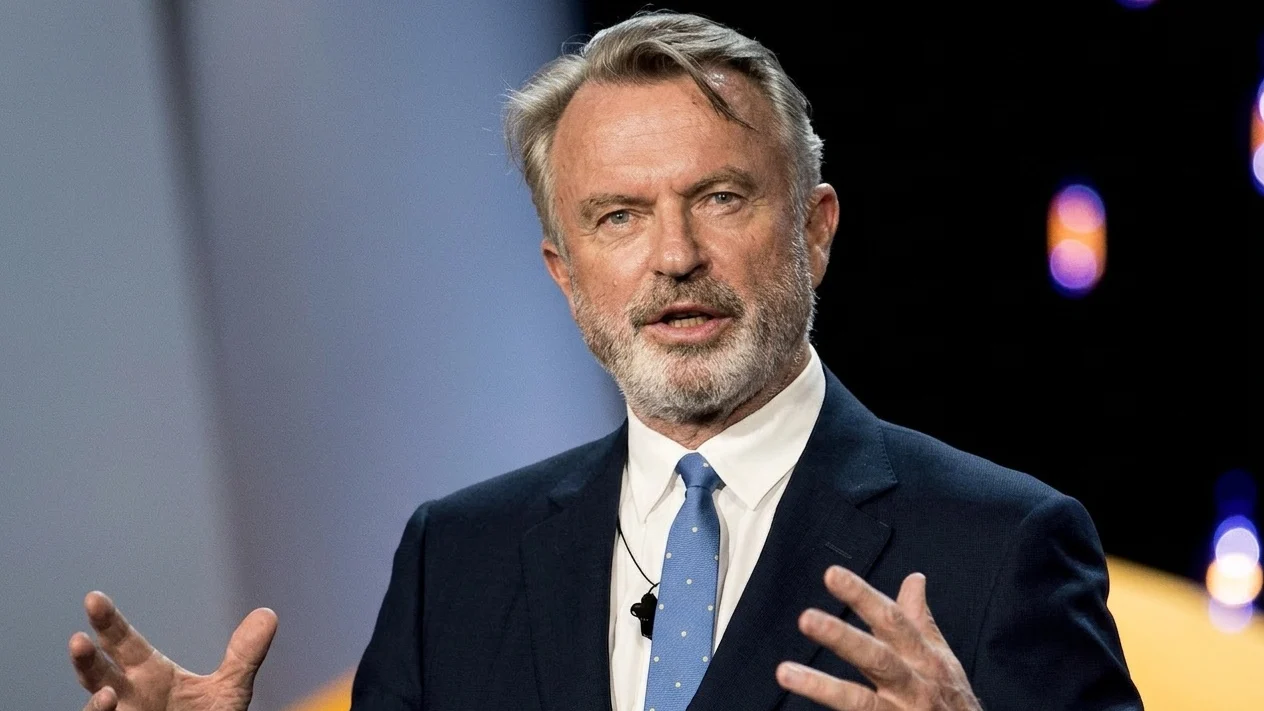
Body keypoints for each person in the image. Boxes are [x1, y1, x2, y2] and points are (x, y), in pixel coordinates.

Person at [67, 11, 1142, 711]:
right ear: (564, 272)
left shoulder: (1003, 544)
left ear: (814, 231)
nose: (674, 257)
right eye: (618, 216)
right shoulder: (460, 557)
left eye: (719, 199)